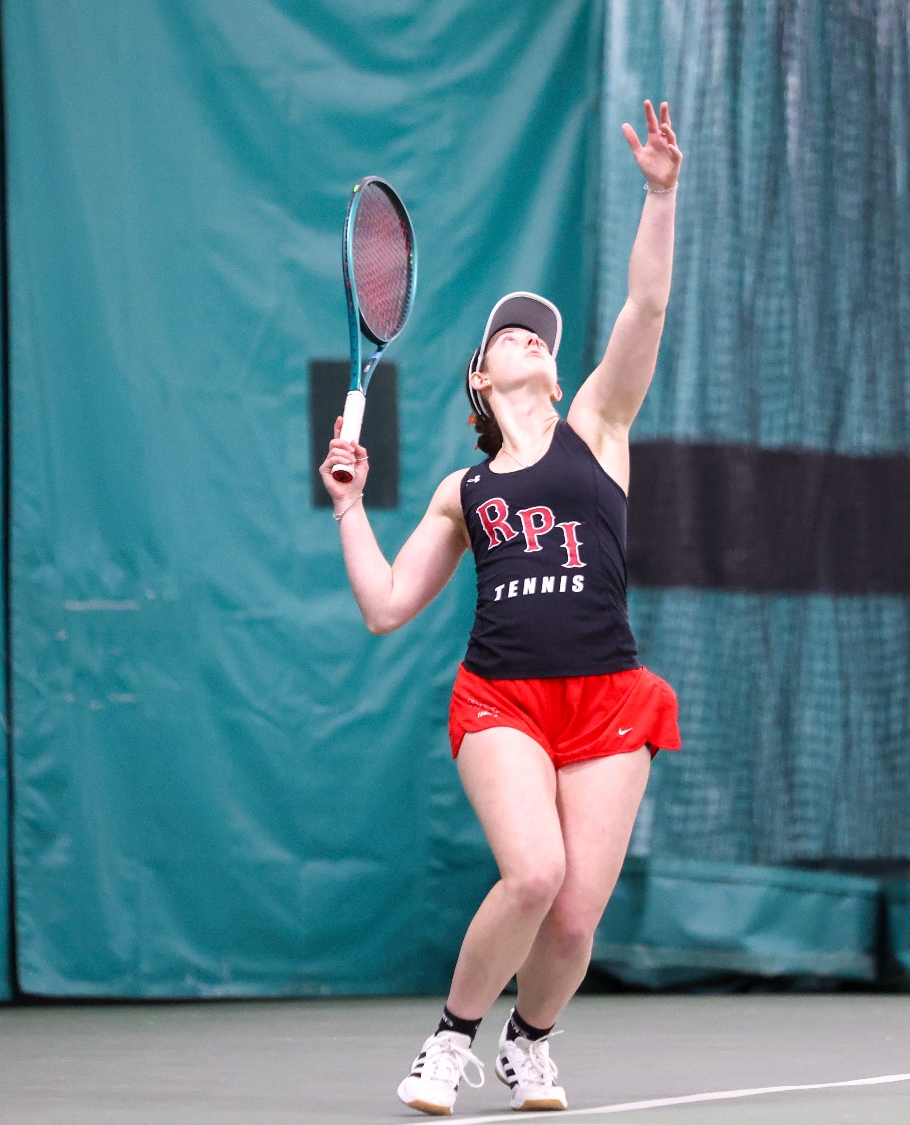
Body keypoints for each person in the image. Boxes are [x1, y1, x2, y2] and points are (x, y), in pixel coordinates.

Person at [320, 99, 684, 1116]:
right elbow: (387, 607)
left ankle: (532, 1042)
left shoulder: (599, 428)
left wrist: (660, 197)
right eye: (506, 333)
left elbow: (645, 312)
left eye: (541, 333)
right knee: (530, 873)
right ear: (479, 377)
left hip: (609, 701)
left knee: (573, 918)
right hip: (502, 701)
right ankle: (450, 1041)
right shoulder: (461, 489)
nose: (527, 333)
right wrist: (349, 510)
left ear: (558, 371)